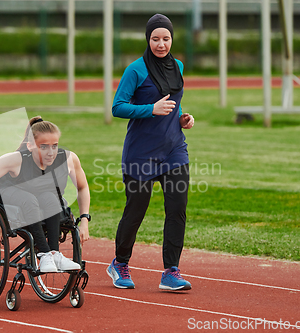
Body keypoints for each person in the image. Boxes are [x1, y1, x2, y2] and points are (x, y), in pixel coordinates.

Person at [106, 14, 194, 291]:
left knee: (177, 209)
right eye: (155, 39)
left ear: (172, 39)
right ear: (148, 39)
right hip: (141, 154)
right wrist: (150, 110)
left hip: (174, 151)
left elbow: (173, 101)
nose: (161, 44)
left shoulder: (177, 66)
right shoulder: (136, 69)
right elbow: (117, 106)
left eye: (166, 38)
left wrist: (182, 118)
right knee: (136, 210)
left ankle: (171, 271)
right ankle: (120, 263)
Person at [0, 116, 91, 273]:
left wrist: (85, 220)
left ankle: (54, 253)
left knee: (52, 198)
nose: (51, 152)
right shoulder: (15, 160)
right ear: (30, 145)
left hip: (41, 198)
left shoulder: (68, 158)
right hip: (10, 194)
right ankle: (45, 254)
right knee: (29, 199)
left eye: (54, 146)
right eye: (44, 147)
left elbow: (82, 187)